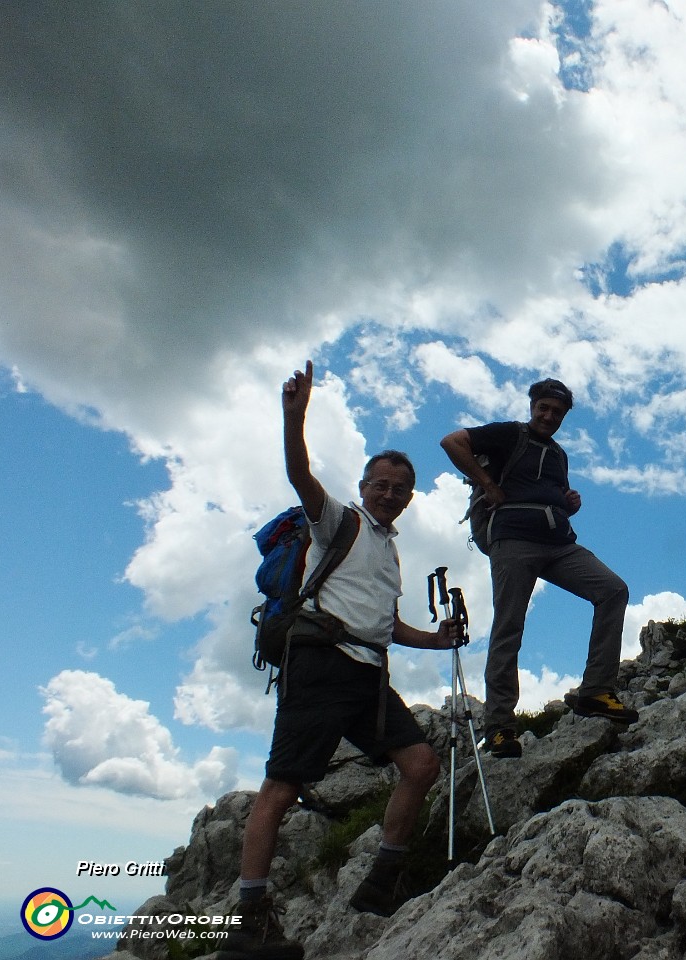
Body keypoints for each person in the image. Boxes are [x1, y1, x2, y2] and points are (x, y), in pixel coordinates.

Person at [224, 361, 456, 960]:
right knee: (283, 784)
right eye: (380, 483)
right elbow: (300, 474)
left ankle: (382, 882)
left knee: (422, 764)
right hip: (322, 663)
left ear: (408, 498)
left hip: (368, 674)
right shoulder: (337, 523)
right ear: (363, 486)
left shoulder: (388, 551)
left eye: (399, 489)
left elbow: (387, 626)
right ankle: (249, 917)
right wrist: (294, 416)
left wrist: (440, 639)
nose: (389, 493)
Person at [440, 378, 637, 759]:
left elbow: (545, 491)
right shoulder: (508, 434)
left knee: (613, 589)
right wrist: (486, 483)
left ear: (563, 416)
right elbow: (452, 441)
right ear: (532, 406)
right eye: (543, 408)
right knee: (509, 625)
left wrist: (567, 502)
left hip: (559, 542)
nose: (548, 416)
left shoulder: (559, 455)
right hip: (512, 539)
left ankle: (596, 690)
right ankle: (499, 727)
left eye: (556, 412)